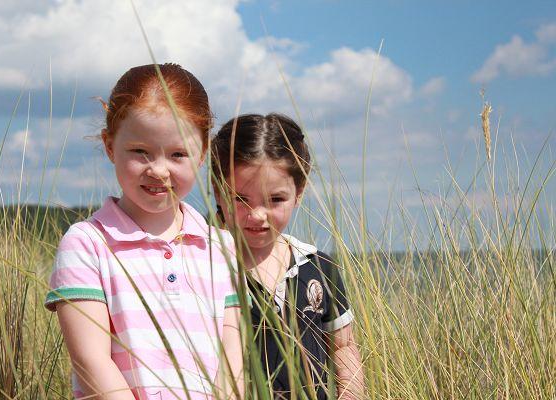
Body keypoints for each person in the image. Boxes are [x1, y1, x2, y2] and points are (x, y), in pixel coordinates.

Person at [45, 64, 243, 400]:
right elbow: (91, 361)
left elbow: (232, 364)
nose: (159, 170)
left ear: (202, 154)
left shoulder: (220, 248)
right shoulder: (87, 243)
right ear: (110, 146)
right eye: (140, 152)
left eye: (178, 154)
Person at [210, 113, 364, 399]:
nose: (257, 215)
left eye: (276, 199)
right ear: (219, 193)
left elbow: (343, 346)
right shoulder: (206, 265)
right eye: (241, 199)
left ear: (299, 192)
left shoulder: (318, 266)